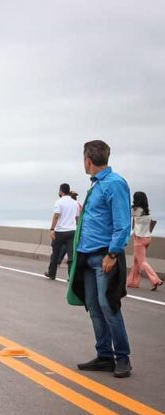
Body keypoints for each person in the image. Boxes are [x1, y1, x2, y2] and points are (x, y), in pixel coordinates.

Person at [68, 140, 132, 378]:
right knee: (94, 307)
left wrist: (113, 254)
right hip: (87, 257)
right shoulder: (96, 185)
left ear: (88, 160)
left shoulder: (114, 184)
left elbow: (123, 223)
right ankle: (104, 356)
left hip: (104, 256)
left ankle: (122, 357)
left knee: (109, 306)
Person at [127, 191, 162, 291]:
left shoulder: (136, 210)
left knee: (142, 262)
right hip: (147, 238)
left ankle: (155, 280)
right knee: (136, 261)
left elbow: (125, 212)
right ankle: (133, 282)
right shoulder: (146, 211)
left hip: (139, 239)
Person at [44, 183, 79, 279]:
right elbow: (77, 217)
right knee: (71, 256)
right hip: (72, 231)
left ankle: (52, 273)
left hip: (60, 231)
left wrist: (52, 229)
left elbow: (56, 216)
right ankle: (71, 277)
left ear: (61, 191)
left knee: (55, 253)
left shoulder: (59, 202)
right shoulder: (75, 203)